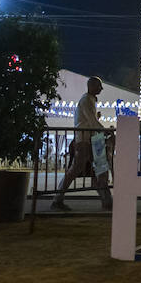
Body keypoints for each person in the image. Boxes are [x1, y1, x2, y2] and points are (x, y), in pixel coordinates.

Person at [51, 76, 112, 210]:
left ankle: (107, 201)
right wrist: (104, 130)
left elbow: (90, 120)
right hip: (86, 139)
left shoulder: (89, 100)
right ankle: (57, 199)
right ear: (91, 86)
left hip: (92, 138)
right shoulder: (86, 100)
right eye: (99, 86)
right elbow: (91, 121)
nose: (101, 89)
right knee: (79, 169)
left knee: (98, 170)